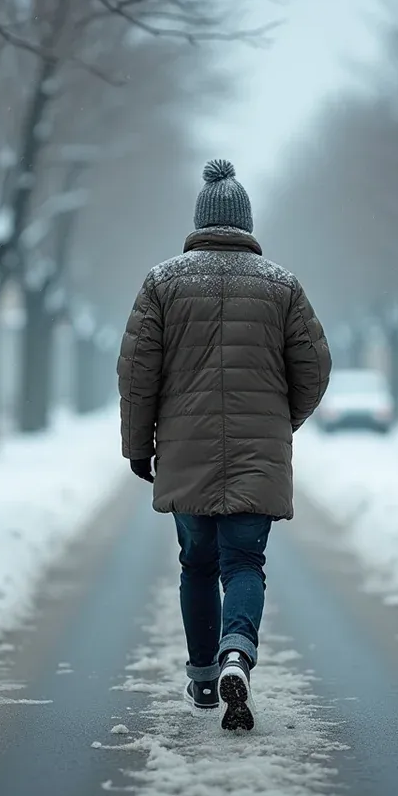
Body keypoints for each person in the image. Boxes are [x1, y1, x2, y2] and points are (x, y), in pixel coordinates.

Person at [116, 158, 332, 731]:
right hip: (258, 454)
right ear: (246, 223)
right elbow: (315, 367)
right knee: (244, 562)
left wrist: (138, 445)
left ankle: (206, 679)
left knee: (196, 563)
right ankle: (237, 650)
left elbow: (137, 373)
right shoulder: (281, 286)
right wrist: (281, 420)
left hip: (184, 451)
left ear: (199, 221)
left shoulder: (163, 283)